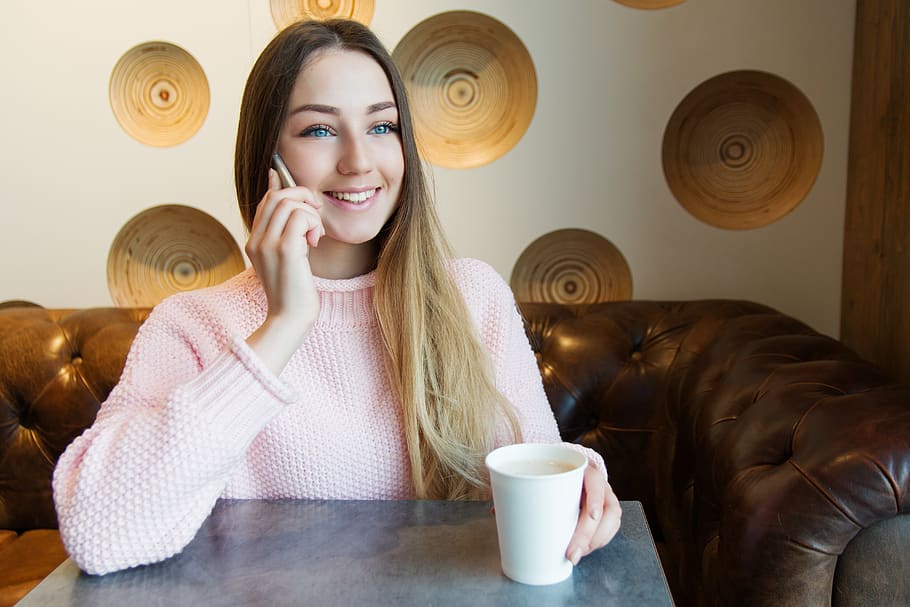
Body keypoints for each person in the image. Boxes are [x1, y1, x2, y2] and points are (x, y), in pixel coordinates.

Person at [52, 19, 621, 576]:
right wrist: (283, 324)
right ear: (268, 159)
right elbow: (96, 531)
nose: (358, 160)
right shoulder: (193, 325)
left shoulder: (473, 296)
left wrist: (583, 490)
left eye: (382, 127)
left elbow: (533, 469)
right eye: (319, 130)